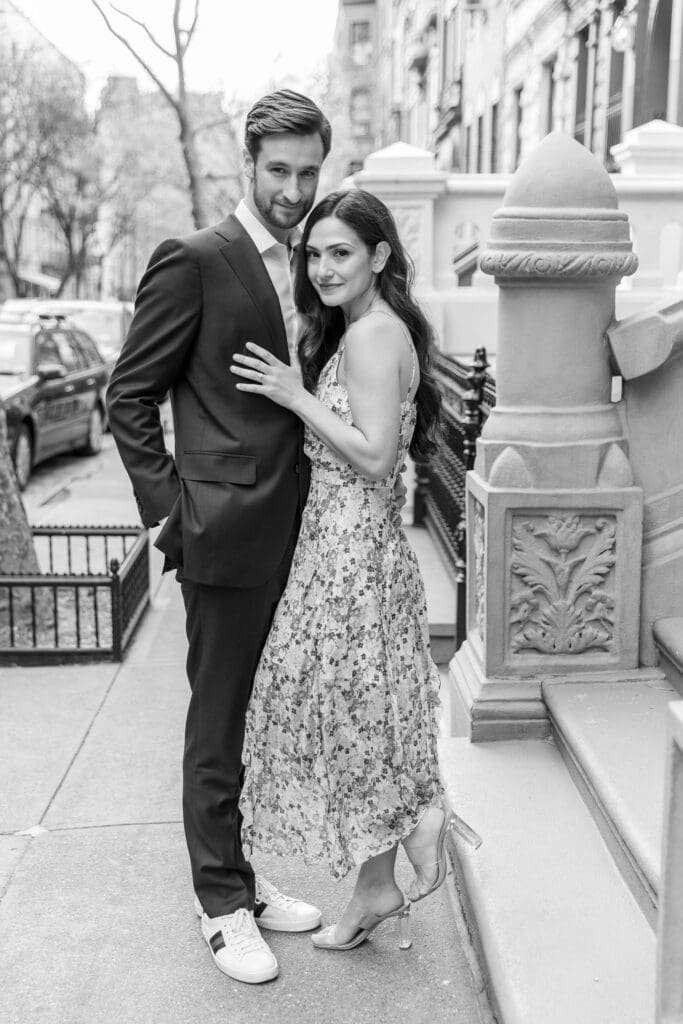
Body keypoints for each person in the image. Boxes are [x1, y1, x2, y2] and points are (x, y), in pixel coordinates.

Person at [106, 90, 334, 986]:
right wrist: (171, 511)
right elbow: (128, 395)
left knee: (257, 718)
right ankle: (219, 904)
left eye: (307, 171)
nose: (292, 188)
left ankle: (242, 875)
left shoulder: (315, 262)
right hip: (222, 533)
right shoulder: (196, 259)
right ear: (248, 163)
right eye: (277, 170)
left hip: (300, 531)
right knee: (216, 717)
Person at [233, 189, 482, 953]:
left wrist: (295, 395)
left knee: (340, 717)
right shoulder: (368, 329)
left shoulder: (374, 336)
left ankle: (395, 852)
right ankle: (381, 873)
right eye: (314, 253)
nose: (323, 266)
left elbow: (375, 456)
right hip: (347, 547)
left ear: (378, 256)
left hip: (349, 554)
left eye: (341, 251)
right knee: (355, 718)